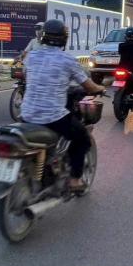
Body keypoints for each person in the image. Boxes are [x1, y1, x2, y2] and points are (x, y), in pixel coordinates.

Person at [20, 19, 104, 192]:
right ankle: (75, 180)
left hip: (26, 114)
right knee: (82, 137)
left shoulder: (31, 56)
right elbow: (89, 86)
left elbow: (29, 77)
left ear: (42, 37)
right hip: (52, 117)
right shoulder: (67, 59)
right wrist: (100, 88)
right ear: (64, 39)